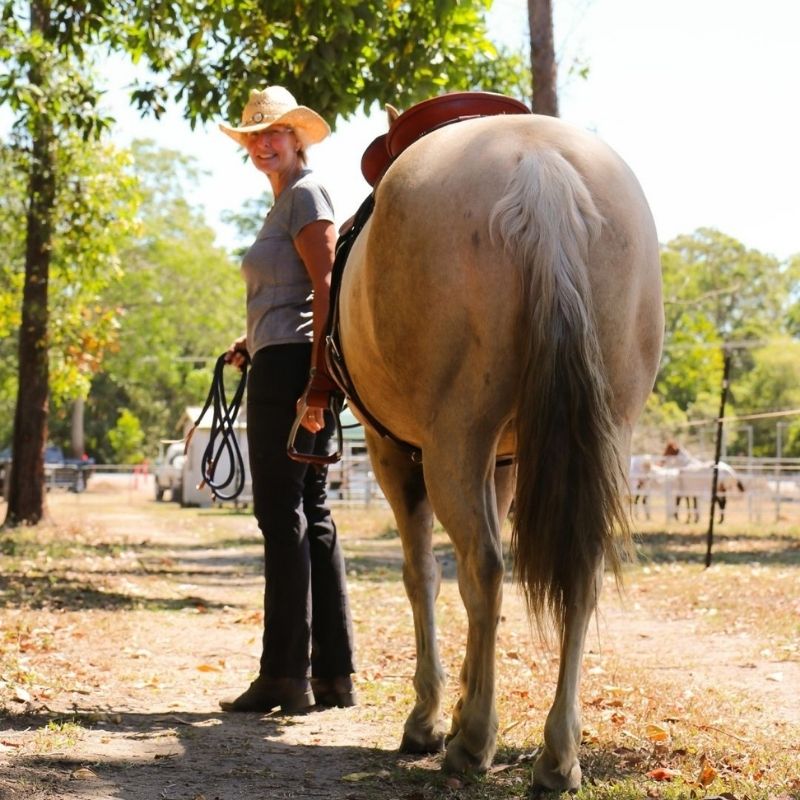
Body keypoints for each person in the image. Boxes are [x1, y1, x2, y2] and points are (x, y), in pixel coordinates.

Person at [217, 86, 355, 713]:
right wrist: (254, 341)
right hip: (281, 359)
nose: (263, 143)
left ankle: (283, 675)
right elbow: (295, 293)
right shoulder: (285, 203)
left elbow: (326, 284)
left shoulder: (305, 194)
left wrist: (319, 378)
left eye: (274, 133)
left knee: (282, 514)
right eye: (254, 136)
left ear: (297, 139)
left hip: (297, 370)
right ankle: (331, 673)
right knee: (310, 511)